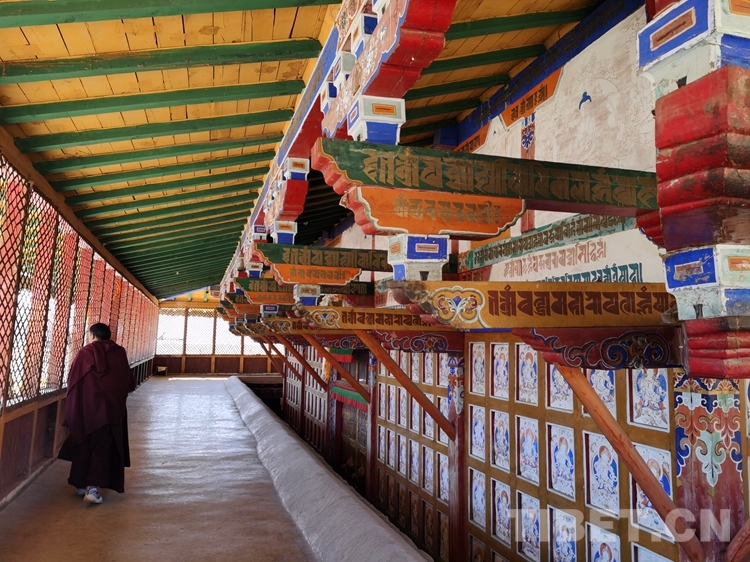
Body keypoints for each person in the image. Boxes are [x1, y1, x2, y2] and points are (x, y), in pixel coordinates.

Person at [58, 323, 134, 504]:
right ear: (108, 336)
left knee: (82, 444)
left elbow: (72, 382)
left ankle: (80, 484)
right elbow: (127, 382)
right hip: (109, 412)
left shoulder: (85, 353)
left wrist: (73, 409)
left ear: (92, 336)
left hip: (85, 410)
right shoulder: (119, 353)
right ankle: (92, 489)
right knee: (102, 448)